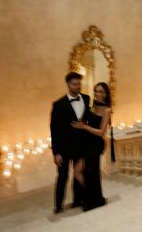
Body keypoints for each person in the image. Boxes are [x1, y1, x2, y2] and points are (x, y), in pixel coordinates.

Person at [50, 72, 90, 214]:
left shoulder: (86, 98)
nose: (77, 86)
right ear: (68, 84)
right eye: (74, 83)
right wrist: (56, 152)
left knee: (79, 173)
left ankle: (77, 201)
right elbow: (54, 130)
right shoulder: (58, 105)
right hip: (64, 148)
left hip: (81, 146)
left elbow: (87, 119)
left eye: (79, 83)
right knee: (62, 176)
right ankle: (58, 206)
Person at [71, 82, 112, 211]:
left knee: (84, 171)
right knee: (83, 172)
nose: (97, 94)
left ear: (105, 94)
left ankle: (93, 198)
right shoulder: (92, 105)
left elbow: (101, 132)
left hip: (96, 145)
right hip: (87, 143)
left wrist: (84, 126)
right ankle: (93, 197)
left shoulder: (107, 110)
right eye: (96, 91)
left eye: (100, 91)